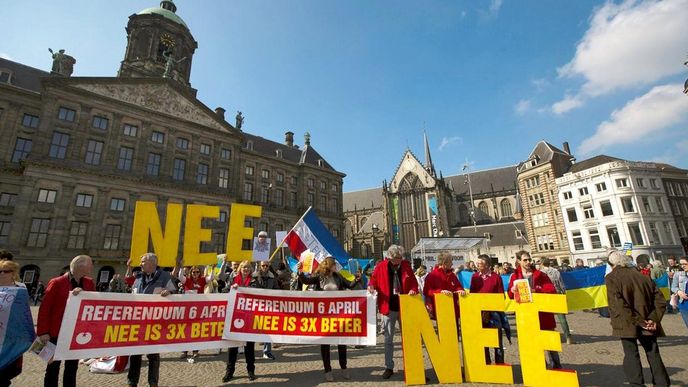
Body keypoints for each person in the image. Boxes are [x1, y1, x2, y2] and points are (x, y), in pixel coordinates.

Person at [606, 250, 669, 386]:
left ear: (612, 264)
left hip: (627, 322)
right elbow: (660, 301)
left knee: (631, 354)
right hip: (648, 321)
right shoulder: (643, 276)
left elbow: (618, 304)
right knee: (653, 353)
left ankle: (637, 384)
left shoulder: (611, 277)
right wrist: (652, 319)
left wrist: (640, 322)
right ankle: (662, 383)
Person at [297, 257, 361, 381]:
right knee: (325, 344)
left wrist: (357, 278)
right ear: (329, 265)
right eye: (334, 264)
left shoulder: (338, 276)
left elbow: (350, 285)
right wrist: (300, 271)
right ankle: (328, 370)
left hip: (338, 315)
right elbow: (306, 281)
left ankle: (344, 367)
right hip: (323, 316)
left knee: (341, 343)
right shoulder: (319, 277)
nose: (336, 266)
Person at [37, 255, 95, 387]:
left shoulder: (89, 283)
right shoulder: (57, 282)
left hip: (76, 332)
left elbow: (93, 303)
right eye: (90, 264)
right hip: (56, 331)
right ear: (80, 266)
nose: (92, 267)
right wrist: (43, 332)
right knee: (53, 367)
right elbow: (45, 308)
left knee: (72, 367)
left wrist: (84, 293)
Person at [367, 245, 418, 379]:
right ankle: (389, 367)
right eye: (396, 258)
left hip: (404, 306)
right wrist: (371, 286)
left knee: (408, 338)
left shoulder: (406, 265)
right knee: (388, 339)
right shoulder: (381, 266)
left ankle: (412, 366)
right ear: (390, 257)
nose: (399, 260)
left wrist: (413, 289)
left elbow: (413, 282)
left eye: (400, 258)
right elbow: (373, 280)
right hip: (388, 307)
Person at [126, 253, 176, 387]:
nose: (140, 264)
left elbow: (175, 292)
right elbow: (132, 293)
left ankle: (153, 382)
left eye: (143, 262)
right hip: (138, 322)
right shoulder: (138, 277)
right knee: (134, 355)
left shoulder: (164, 276)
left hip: (155, 322)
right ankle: (132, 382)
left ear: (152, 263)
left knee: (153, 355)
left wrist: (169, 293)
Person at [507, 250, 562, 369]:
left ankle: (556, 366)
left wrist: (536, 291)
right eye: (525, 260)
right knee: (533, 343)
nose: (528, 262)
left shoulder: (540, 274)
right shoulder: (515, 276)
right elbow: (510, 295)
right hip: (526, 315)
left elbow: (551, 290)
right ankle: (540, 366)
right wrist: (512, 291)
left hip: (543, 314)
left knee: (549, 342)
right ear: (518, 261)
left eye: (529, 259)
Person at [0, 259, 35, 386]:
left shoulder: (20, 291)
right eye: (0, 271)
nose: (2, 274)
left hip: (12, 339)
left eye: (6, 271)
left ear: (13, 273)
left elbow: (24, 316)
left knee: (4, 377)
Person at [224, 261, 257, 382]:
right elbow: (224, 291)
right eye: (243, 267)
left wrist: (244, 289)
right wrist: (231, 289)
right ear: (239, 269)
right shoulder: (233, 280)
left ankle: (251, 370)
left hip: (249, 317)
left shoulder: (254, 282)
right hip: (235, 317)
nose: (246, 269)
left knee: (249, 346)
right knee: (232, 346)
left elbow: (258, 294)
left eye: (248, 267)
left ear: (251, 269)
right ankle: (229, 371)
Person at [470, 254, 507, 364]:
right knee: (483, 339)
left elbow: (501, 296)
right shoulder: (475, 277)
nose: (477, 265)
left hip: (493, 313)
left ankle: (500, 363)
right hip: (480, 313)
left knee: (497, 340)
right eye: (477, 263)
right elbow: (473, 294)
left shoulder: (496, 277)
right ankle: (486, 363)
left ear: (487, 265)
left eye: (480, 263)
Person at [539, 257, 573, 344]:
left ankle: (551, 336)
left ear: (542, 264)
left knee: (547, 317)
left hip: (546, 296)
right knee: (562, 318)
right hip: (557, 294)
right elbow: (561, 284)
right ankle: (568, 336)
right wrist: (564, 294)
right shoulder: (556, 271)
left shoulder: (541, 273)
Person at [423, 252, 465, 321]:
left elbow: (458, 286)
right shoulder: (432, 275)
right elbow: (427, 291)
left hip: (453, 309)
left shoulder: (452, 275)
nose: (452, 264)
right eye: (450, 262)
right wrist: (440, 291)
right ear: (444, 263)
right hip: (440, 309)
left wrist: (460, 290)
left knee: (455, 330)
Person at [254, 260, 279, 360]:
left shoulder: (272, 277)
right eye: (263, 265)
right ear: (260, 266)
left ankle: (267, 351)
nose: (265, 267)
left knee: (267, 328)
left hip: (268, 306)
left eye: (266, 266)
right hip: (256, 305)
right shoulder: (254, 276)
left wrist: (272, 293)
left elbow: (277, 288)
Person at [671, 256, 688, 329]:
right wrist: (679, 292)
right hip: (684, 304)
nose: (683, 266)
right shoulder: (678, 274)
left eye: (685, 264)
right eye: (681, 264)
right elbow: (673, 287)